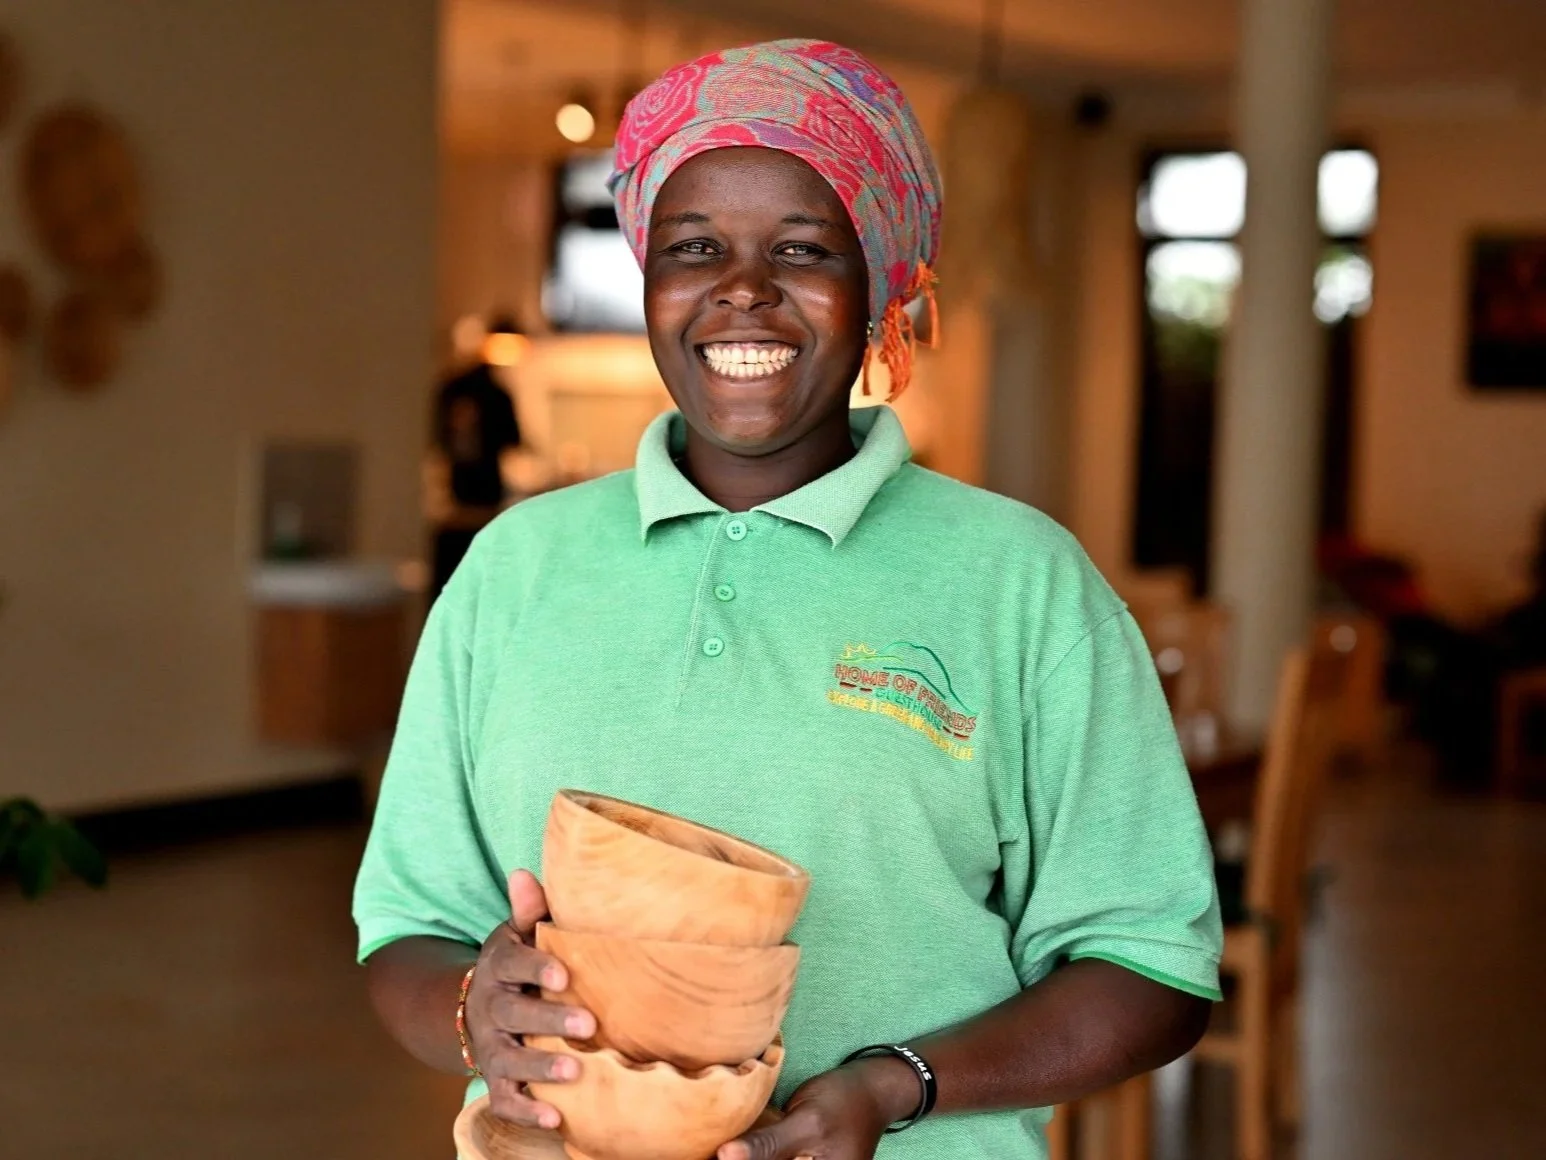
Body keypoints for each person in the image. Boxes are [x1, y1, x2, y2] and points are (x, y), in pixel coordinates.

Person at [356, 40, 1221, 1160]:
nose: (743, 289)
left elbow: (1152, 965)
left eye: (804, 248)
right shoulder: (513, 569)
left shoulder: (1022, 583)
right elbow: (405, 930)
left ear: (881, 286)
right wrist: (474, 1003)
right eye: (694, 247)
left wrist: (893, 1084)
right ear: (649, 279)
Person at [425, 313, 524, 600]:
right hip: (477, 505)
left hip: (455, 504)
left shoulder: (451, 389)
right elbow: (514, 441)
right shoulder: (496, 394)